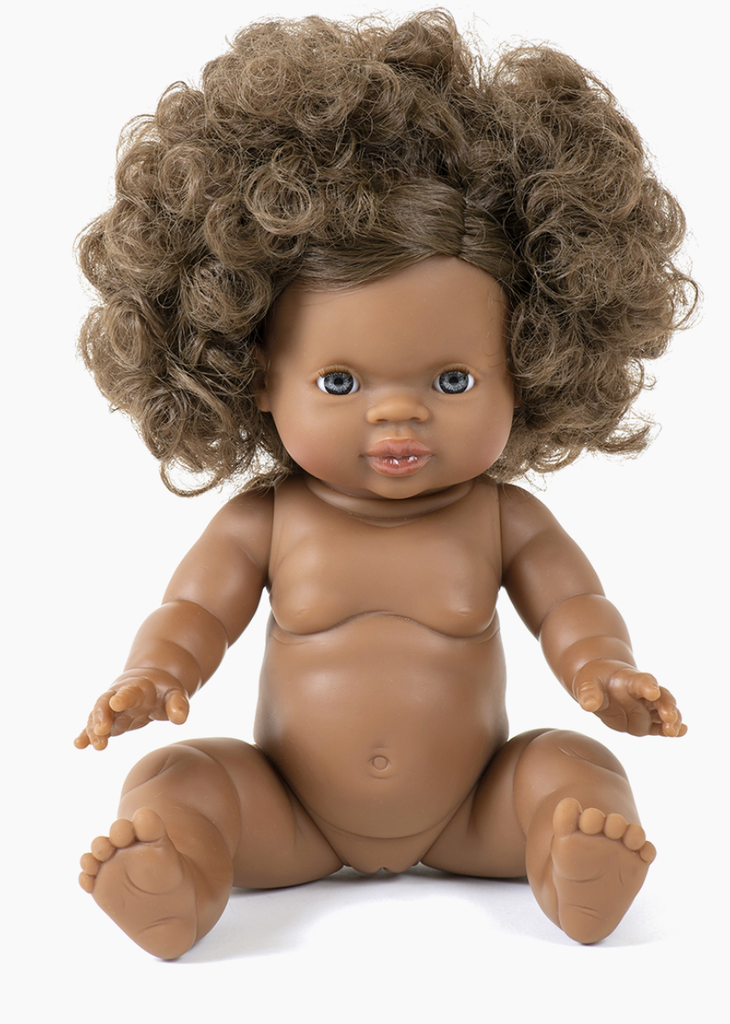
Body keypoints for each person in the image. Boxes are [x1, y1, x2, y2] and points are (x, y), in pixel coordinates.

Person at [75, 11, 695, 959]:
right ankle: (181, 875)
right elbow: (193, 612)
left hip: (474, 808)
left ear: (529, 366)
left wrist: (600, 669)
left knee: (574, 767)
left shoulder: (504, 519)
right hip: (288, 813)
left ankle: (564, 860)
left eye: (452, 381)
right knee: (177, 775)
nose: (397, 415)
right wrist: (155, 674)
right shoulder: (264, 522)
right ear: (255, 377)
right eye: (340, 383)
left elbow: (574, 603)